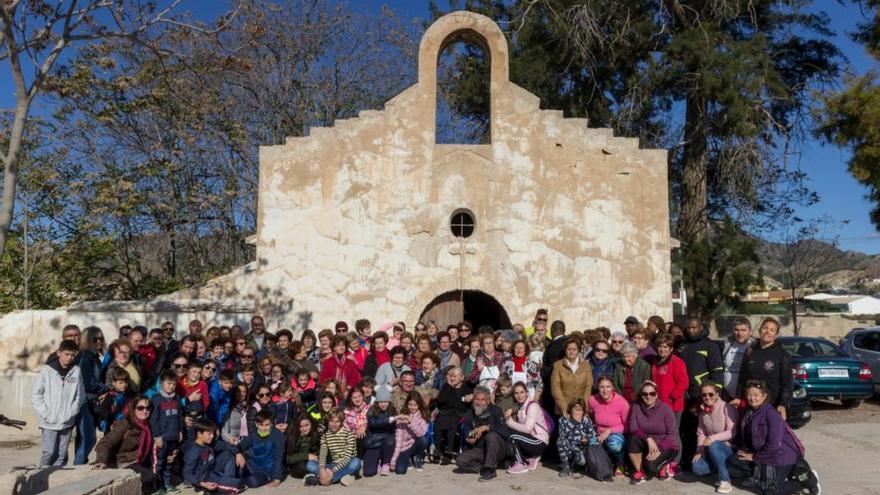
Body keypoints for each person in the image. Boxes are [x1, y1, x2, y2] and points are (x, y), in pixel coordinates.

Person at [727, 381, 820, 495]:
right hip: (764, 454)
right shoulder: (750, 413)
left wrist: (755, 457)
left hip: (781, 456)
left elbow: (774, 445)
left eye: (756, 395)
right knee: (733, 462)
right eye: (749, 395)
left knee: (770, 491)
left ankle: (807, 480)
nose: (752, 398)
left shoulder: (771, 414)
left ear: (764, 396)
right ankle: (762, 477)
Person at [33, 339, 85, 468]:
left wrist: (72, 412)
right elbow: (36, 395)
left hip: (67, 421)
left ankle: (57, 480)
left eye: (73, 355)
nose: (69, 358)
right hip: (49, 421)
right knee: (49, 452)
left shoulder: (76, 371)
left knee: (62, 455)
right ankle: (40, 477)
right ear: (59, 353)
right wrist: (46, 413)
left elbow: (80, 394)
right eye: (66, 354)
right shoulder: (47, 370)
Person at [680, 317, 724, 468]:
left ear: (701, 328)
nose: (690, 330)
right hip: (683, 396)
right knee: (685, 430)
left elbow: (717, 373)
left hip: (701, 398)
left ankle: (707, 462)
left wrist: (713, 397)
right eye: (688, 328)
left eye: (694, 327)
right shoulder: (682, 345)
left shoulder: (710, 346)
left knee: (702, 431)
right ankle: (686, 461)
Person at [93, 394, 158, 493]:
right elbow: (105, 443)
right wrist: (101, 460)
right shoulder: (126, 424)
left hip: (139, 461)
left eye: (148, 408)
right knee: (148, 477)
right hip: (124, 462)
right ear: (133, 409)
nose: (145, 411)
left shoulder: (148, 426)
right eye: (140, 408)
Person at [734, 317, 793, 421]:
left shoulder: (782, 354)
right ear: (759, 330)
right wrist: (738, 397)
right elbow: (742, 377)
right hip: (751, 403)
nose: (767, 332)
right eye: (765, 328)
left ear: (776, 334)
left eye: (772, 330)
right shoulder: (750, 351)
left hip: (772, 406)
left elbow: (787, 383)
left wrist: (783, 404)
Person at [627, 380, 680, 484]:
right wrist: (648, 438)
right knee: (631, 439)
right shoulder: (636, 407)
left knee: (651, 467)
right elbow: (632, 428)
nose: (648, 396)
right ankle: (641, 471)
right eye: (645, 394)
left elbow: (672, 435)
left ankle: (665, 465)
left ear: (656, 395)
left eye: (652, 393)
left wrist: (660, 449)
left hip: (666, 445)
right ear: (641, 396)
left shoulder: (665, 409)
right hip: (649, 444)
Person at [456, 386, 511, 482]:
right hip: (481, 450)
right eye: (477, 399)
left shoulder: (496, 411)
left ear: (488, 400)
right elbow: (468, 436)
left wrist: (487, 427)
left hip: (498, 448)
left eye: (483, 400)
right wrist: (471, 439)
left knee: (491, 436)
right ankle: (486, 465)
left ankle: (490, 470)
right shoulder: (469, 414)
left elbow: (506, 432)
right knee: (460, 461)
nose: (479, 402)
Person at [691, 381, 738, 494]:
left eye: (711, 394)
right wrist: (699, 449)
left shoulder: (727, 407)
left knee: (713, 444)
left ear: (717, 394)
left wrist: (712, 438)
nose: (707, 397)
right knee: (697, 467)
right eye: (704, 395)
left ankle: (725, 480)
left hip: (728, 448)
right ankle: (721, 471)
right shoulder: (703, 412)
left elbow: (732, 432)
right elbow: (701, 432)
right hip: (711, 449)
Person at [182, 418, 244, 494]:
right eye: (209, 434)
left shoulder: (209, 443)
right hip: (203, 479)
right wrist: (202, 484)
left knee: (229, 454)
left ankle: (227, 481)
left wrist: (238, 453)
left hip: (213, 471)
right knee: (238, 486)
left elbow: (225, 445)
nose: (212, 436)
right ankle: (205, 488)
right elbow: (187, 474)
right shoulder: (193, 451)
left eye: (212, 433)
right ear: (199, 434)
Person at [75, 326, 108, 465]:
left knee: (86, 438)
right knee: (88, 438)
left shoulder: (94, 356)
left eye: (101, 338)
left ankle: (80, 464)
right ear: (88, 340)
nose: (99, 341)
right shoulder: (85, 357)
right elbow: (88, 382)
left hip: (92, 400)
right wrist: (107, 388)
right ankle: (78, 467)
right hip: (86, 402)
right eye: (95, 339)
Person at [505, 382, 549, 474]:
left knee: (513, 437)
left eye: (522, 392)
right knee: (511, 435)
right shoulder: (520, 407)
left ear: (527, 393)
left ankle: (520, 464)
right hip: (531, 439)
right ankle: (532, 457)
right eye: (516, 393)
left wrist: (510, 423)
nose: (519, 395)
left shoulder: (532, 406)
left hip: (539, 441)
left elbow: (527, 429)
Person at [589, 376, 630, 476]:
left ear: (613, 388)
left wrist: (609, 431)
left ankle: (621, 463)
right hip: (598, 433)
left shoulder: (622, 402)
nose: (605, 390)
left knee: (614, 444)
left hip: (616, 435)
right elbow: (591, 418)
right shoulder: (592, 400)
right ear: (598, 388)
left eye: (608, 387)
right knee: (589, 444)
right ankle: (604, 464)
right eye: (602, 387)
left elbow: (628, 426)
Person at [150, 370, 183, 494]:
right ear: (162, 383)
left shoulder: (177, 398)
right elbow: (154, 419)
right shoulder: (156, 399)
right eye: (169, 383)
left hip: (173, 437)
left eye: (174, 384)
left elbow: (179, 416)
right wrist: (157, 436)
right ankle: (157, 486)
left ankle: (168, 483)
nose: (171, 386)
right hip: (161, 439)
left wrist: (180, 431)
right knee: (159, 462)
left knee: (170, 462)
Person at [557, 398, 603, 479]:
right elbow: (563, 435)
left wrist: (587, 439)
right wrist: (575, 423)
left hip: (581, 448)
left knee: (582, 462)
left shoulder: (586, 420)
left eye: (581, 410)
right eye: (576, 409)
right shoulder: (563, 420)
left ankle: (575, 465)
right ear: (571, 410)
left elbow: (594, 436)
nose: (578, 412)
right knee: (560, 441)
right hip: (569, 447)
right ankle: (565, 467)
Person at [435, 366, 473, 464]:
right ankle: (438, 450)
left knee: (453, 421)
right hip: (446, 412)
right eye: (451, 376)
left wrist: (470, 398)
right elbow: (441, 400)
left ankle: (449, 450)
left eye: (455, 376)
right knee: (439, 421)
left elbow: (468, 404)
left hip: (460, 413)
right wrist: (449, 386)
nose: (452, 378)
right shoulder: (446, 386)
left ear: (462, 377)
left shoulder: (466, 388)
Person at [239, 410, 285, 488]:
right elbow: (241, 446)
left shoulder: (277, 434)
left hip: (268, 470)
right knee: (234, 460)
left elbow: (278, 456)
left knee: (252, 482)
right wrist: (238, 453)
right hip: (255, 465)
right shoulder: (254, 434)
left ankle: (265, 478)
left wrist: (276, 478)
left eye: (267, 425)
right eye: (261, 425)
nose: (264, 428)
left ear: (272, 424)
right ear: (256, 424)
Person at [651, 334, 689, 425]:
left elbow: (683, 383)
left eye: (665, 347)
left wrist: (672, 397)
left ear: (671, 348)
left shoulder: (677, 362)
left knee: (673, 433)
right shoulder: (655, 362)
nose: (662, 349)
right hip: (658, 403)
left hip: (673, 405)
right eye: (660, 346)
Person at [550, 336, 593, 416]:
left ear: (578, 351)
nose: (571, 352)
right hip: (563, 410)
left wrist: (583, 407)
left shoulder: (586, 366)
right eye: (569, 349)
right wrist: (564, 408)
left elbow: (588, 387)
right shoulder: (558, 365)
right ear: (565, 350)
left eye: (574, 349)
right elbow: (555, 388)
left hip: (581, 409)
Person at [317, 409, 361, 486]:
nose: (334, 424)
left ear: (341, 422)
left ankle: (325, 479)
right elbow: (323, 453)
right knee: (310, 465)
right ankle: (344, 476)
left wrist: (332, 471)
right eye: (331, 421)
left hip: (347, 463)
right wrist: (322, 469)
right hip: (333, 464)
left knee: (356, 462)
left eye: (337, 421)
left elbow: (347, 458)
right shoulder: (325, 435)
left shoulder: (348, 434)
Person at [390, 391, 429, 474]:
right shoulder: (402, 416)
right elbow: (399, 439)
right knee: (400, 470)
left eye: (415, 405)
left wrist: (411, 422)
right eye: (410, 404)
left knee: (424, 440)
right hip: (403, 447)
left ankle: (418, 458)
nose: (412, 407)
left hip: (415, 445)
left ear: (419, 405)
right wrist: (393, 460)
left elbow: (421, 433)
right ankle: (408, 458)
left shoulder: (422, 417)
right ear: (407, 404)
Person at [362, 387, 398, 477]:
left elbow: (393, 429)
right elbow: (374, 423)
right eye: (380, 402)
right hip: (374, 442)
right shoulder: (371, 411)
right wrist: (391, 419)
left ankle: (385, 463)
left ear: (389, 402)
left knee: (390, 439)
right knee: (368, 472)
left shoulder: (392, 411)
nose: (383, 404)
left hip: (387, 444)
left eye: (385, 401)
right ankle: (377, 461)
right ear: (377, 402)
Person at [721, 317, 754, 401]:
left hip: (747, 395)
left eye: (743, 330)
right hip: (726, 394)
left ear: (750, 331)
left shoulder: (755, 346)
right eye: (736, 330)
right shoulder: (726, 344)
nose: (739, 333)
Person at [286, 414, 321, 484]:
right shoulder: (293, 436)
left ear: (311, 423)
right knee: (301, 466)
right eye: (301, 426)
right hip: (299, 465)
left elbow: (321, 451)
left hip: (315, 462)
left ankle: (316, 477)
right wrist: (307, 456)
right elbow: (288, 459)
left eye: (307, 425)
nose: (304, 429)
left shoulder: (316, 433)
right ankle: (320, 476)